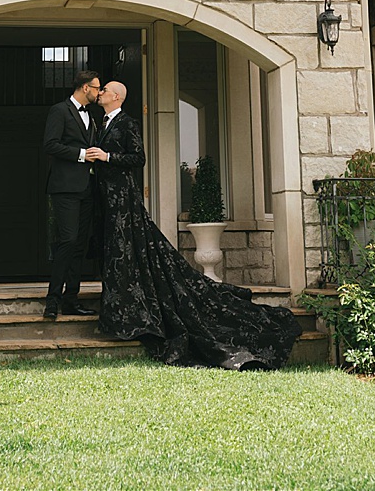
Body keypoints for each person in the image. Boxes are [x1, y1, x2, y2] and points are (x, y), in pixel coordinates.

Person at [87, 80, 303, 370]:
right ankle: (118, 310)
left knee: (126, 251)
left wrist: (107, 156)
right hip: (107, 200)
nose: (99, 94)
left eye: (104, 91)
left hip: (124, 200)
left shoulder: (127, 123)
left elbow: (138, 158)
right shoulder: (102, 122)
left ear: (116, 97)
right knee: (117, 253)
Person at [41, 69, 103, 318]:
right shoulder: (59, 110)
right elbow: (50, 144)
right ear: (85, 88)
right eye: (97, 88)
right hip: (65, 188)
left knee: (78, 245)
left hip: (87, 188)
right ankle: (52, 301)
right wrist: (81, 155)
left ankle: (71, 299)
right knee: (67, 241)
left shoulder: (94, 115)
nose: (99, 92)